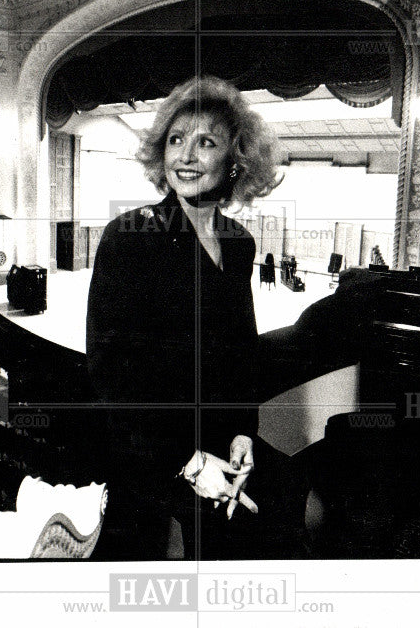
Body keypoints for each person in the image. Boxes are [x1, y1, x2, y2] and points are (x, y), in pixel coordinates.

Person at [86, 76, 284, 560]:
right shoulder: (130, 236)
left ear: (236, 160)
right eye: (176, 140)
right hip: (153, 450)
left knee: (277, 511)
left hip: (220, 438)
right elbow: (112, 374)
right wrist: (190, 465)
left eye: (206, 142)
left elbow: (242, 348)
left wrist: (243, 430)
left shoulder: (239, 243)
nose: (185, 156)